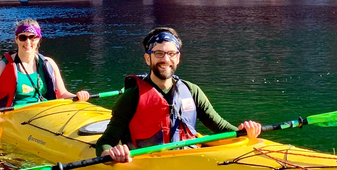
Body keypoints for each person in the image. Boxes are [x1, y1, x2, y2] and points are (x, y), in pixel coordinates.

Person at [95, 27, 262, 163]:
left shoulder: (192, 91)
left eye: (171, 53)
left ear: (178, 58)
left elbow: (220, 127)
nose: (166, 59)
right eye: (159, 53)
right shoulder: (132, 97)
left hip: (189, 159)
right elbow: (105, 142)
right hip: (149, 162)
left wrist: (244, 130)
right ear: (148, 58)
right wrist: (112, 153)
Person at [0, 19, 90, 119]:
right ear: (16, 39)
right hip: (16, 117)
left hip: (46, 114)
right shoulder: (0, 67)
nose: (28, 42)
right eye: (23, 37)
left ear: (38, 39)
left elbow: (62, 94)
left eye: (32, 37)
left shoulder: (49, 63)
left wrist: (78, 96)